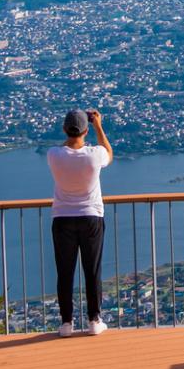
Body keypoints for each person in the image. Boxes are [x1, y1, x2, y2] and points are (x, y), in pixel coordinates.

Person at [47, 108, 113, 336]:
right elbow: (109, 154)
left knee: (65, 271)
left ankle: (66, 323)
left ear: (65, 129)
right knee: (91, 269)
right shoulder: (95, 155)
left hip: (62, 218)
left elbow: (66, 146)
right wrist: (98, 126)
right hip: (91, 217)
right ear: (86, 130)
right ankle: (94, 320)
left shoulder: (53, 154)